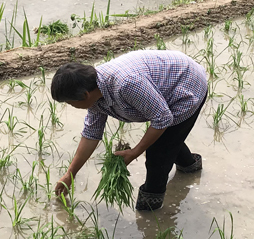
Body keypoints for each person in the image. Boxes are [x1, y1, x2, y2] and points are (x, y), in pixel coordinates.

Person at [50, 50, 208, 211]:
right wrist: (70, 174)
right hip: (164, 89)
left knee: (157, 153)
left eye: (70, 103)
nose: (71, 107)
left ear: (85, 95)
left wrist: (135, 152)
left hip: (188, 85)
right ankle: (190, 167)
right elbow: (91, 135)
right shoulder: (94, 96)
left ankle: (150, 211)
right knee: (167, 138)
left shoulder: (126, 84)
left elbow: (163, 118)